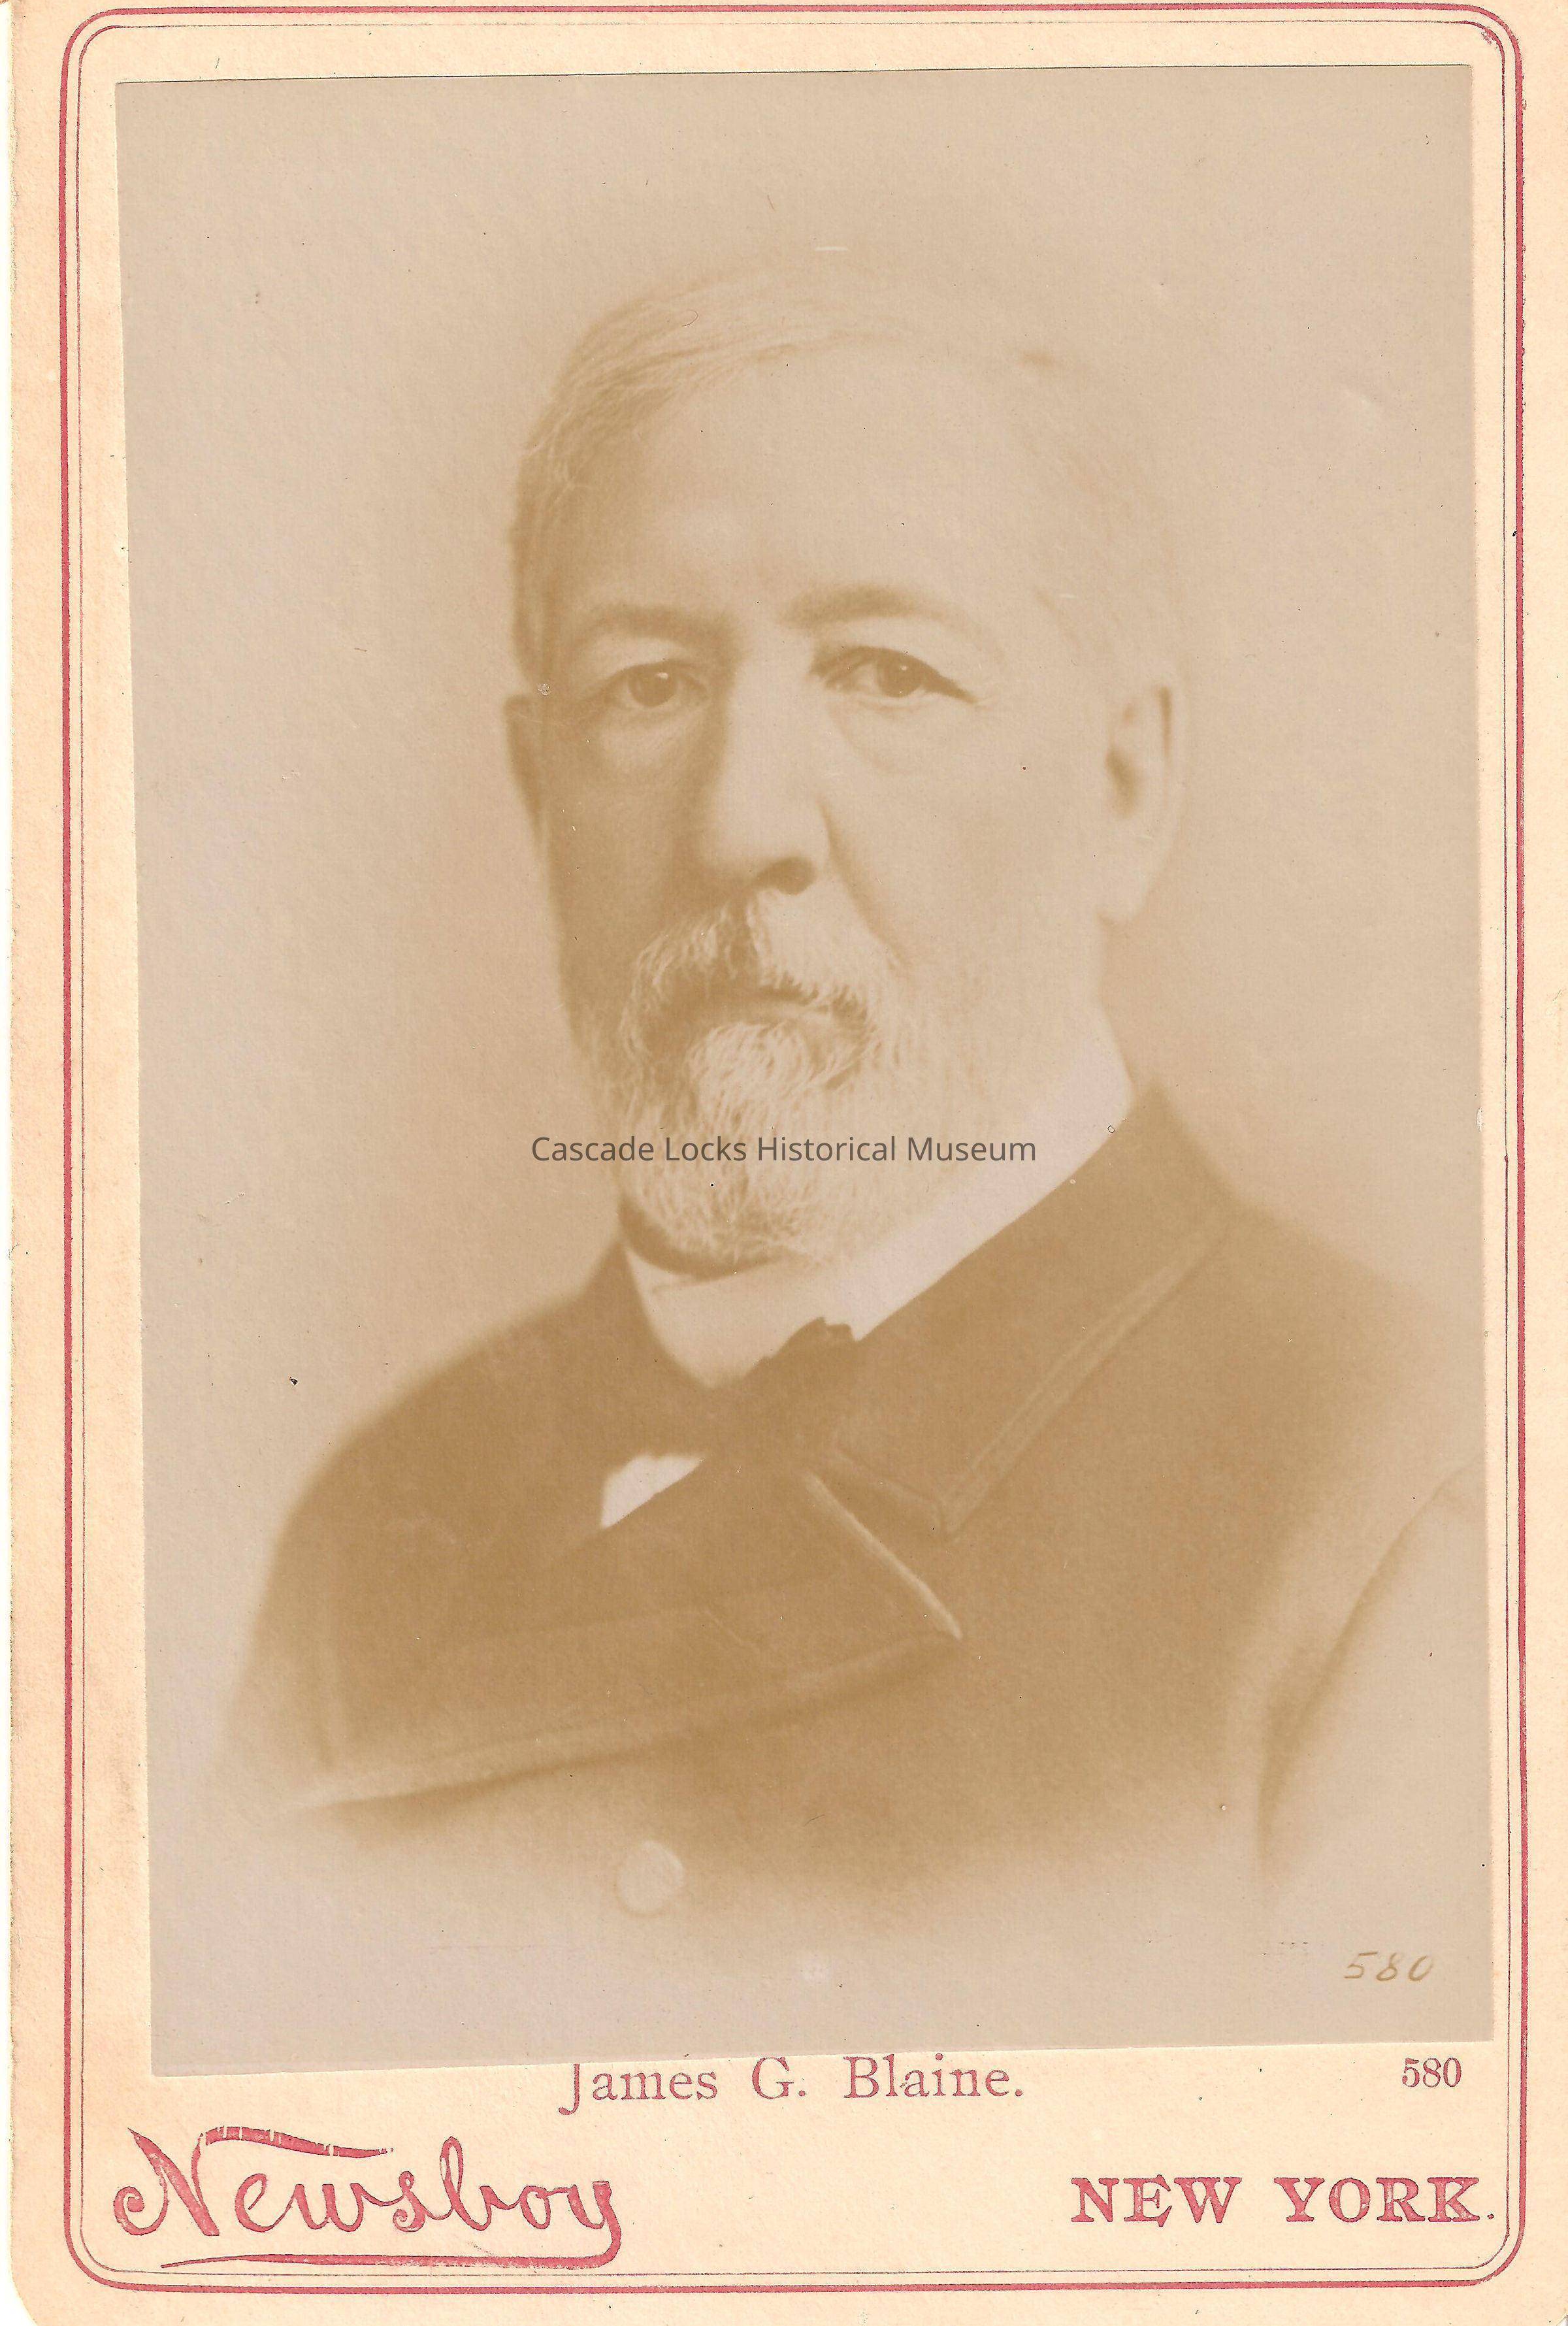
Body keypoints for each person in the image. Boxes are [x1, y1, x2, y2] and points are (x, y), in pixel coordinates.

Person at [233, 266, 1488, 2062]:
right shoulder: (375, 1531)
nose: (741, 821)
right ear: (536, 793)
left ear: (1125, 787)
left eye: (888, 675)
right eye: (648, 685)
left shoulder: (1417, 1502)